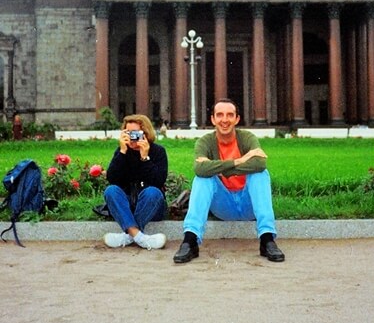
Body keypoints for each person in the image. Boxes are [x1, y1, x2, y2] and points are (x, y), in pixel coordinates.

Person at [173, 99, 285, 263]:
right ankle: (190, 241)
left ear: (237, 119)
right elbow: (200, 169)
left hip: (248, 205)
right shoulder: (205, 142)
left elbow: (259, 163)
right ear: (212, 119)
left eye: (229, 115)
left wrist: (217, 168)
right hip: (223, 205)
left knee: (260, 174)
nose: (224, 120)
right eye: (219, 115)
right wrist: (238, 161)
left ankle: (267, 239)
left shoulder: (247, 137)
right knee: (203, 178)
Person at [103, 114, 168, 250]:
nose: (132, 137)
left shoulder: (158, 151)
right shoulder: (122, 152)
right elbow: (112, 179)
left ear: (145, 133)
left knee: (153, 192)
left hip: (151, 206)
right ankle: (140, 238)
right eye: (128, 133)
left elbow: (158, 181)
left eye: (135, 133)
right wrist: (122, 152)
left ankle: (126, 237)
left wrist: (145, 158)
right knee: (111, 191)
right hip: (127, 205)